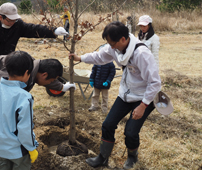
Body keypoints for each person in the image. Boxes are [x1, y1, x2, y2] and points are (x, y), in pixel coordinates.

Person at [0, 54, 75, 170]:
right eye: (52, 80)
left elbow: (45, 79)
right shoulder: (14, 73)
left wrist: (61, 87)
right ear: (43, 74)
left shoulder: (27, 67)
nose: (51, 83)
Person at [69, 21, 161, 169]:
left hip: (144, 97)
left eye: (113, 43)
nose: (111, 47)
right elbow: (99, 57)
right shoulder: (115, 48)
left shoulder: (142, 54)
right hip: (126, 94)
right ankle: (103, 157)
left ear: (123, 39)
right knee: (107, 125)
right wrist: (80, 58)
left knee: (130, 132)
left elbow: (155, 83)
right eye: (109, 44)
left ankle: (132, 157)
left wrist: (143, 105)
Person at [0, 2, 68, 71]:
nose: (13, 22)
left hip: (6, 63)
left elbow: (33, 29)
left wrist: (53, 31)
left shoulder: (17, 25)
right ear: (1, 17)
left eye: (15, 19)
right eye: (10, 20)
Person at [0, 51, 38, 170]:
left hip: (0, 148)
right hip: (18, 151)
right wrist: (32, 148)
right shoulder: (24, 97)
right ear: (27, 72)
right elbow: (25, 129)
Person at [88, 46, 116, 114]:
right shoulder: (97, 62)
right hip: (97, 83)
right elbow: (93, 71)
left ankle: (104, 109)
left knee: (104, 97)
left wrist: (108, 81)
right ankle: (94, 106)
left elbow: (112, 73)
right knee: (95, 95)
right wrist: (91, 79)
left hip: (105, 84)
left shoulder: (110, 63)